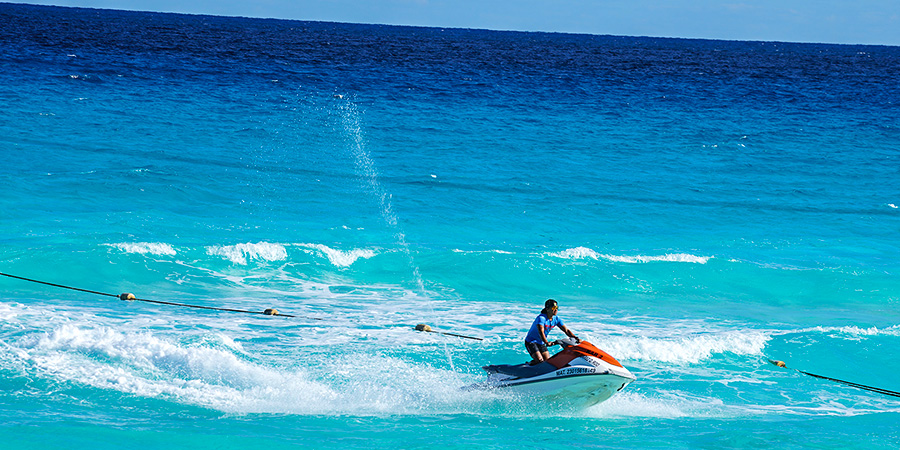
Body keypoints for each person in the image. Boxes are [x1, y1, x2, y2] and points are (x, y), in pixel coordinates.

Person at [524, 299, 580, 365]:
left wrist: (575, 337)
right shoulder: (541, 318)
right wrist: (547, 342)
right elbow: (541, 332)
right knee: (539, 360)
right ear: (547, 309)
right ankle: (527, 366)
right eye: (554, 308)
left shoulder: (556, 319)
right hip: (531, 342)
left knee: (547, 362)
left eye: (557, 308)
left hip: (541, 342)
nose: (556, 309)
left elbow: (566, 330)